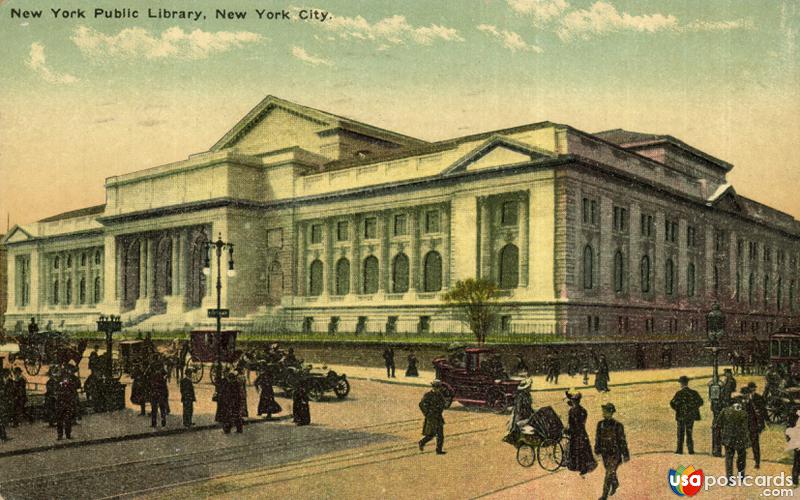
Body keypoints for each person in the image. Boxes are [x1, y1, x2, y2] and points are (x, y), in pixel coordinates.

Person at [594, 403, 630, 500]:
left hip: (615, 453)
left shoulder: (618, 425)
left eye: (607, 411)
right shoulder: (600, 424)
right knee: (610, 471)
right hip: (605, 453)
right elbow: (598, 438)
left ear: (611, 413)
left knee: (609, 473)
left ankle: (604, 496)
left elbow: (622, 440)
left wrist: (625, 454)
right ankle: (615, 483)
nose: (605, 413)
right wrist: (597, 449)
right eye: (604, 411)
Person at [719, 393, 751, 479]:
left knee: (729, 458)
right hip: (740, 439)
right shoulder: (743, 413)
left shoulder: (725, 411)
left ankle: (729, 478)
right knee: (741, 457)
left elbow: (718, 423)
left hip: (728, 439)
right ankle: (741, 476)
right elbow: (746, 427)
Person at [670, 375, 704, 455]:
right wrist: (693, 408)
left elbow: (672, 403)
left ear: (681, 384)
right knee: (689, 433)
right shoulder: (694, 393)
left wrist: (678, 409)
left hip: (681, 416)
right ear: (687, 383)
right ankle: (690, 450)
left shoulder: (679, 393)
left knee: (680, 433)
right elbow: (700, 402)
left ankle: (679, 449)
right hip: (690, 416)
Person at [565, 391, 596, 475]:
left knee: (576, 449)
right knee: (583, 449)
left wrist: (567, 431)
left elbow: (571, 424)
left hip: (575, 433)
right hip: (582, 432)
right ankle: (584, 466)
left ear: (573, 401)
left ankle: (578, 466)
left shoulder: (571, 411)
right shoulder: (583, 410)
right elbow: (582, 422)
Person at [418, 380, 447, 455]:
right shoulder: (428, 395)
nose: (437, 389)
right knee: (431, 435)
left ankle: (439, 450)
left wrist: (440, 408)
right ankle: (421, 442)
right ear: (433, 387)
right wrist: (427, 413)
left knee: (440, 435)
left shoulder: (440, 395)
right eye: (435, 387)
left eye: (438, 387)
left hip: (438, 417)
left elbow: (444, 404)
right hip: (431, 417)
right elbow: (421, 404)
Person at [741, 384, 766, 469]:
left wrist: (761, 425)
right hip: (744, 427)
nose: (744, 396)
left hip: (753, 426)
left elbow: (761, 413)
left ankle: (757, 462)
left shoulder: (754, 401)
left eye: (745, 394)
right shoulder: (741, 401)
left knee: (755, 444)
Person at [55, 369, 78, 440]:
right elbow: (56, 393)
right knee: (60, 421)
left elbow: (73, 393)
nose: (65, 379)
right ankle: (60, 435)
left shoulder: (70, 385)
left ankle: (68, 434)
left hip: (67, 404)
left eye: (66, 378)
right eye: (64, 378)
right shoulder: (59, 384)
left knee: (68, 421)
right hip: (61, 405)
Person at [148, 362, 169, 428]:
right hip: (161, 395)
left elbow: (150, 386)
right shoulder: (162, 378)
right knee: (162, 409)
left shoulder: (153, 376)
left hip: (154, 395)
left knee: (154, 410)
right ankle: (163, 422)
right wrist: (166, 395)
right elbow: (165, 387)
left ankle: (154, 423)